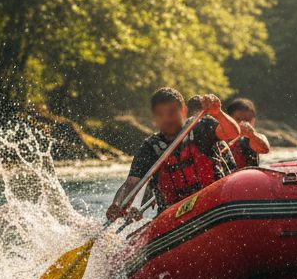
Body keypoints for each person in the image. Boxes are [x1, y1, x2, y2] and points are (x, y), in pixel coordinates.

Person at [106, 88, 239, 219]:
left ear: (184, 111)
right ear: (154, 118)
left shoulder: (201, 127)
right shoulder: (150, 147)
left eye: (172, 112)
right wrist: (117, 204)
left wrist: (218, 113)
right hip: (174, 216)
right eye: (160, 114)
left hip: (213, 201)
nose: (167, 119)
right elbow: (131, 183)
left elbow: (233, 133)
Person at [224, 97, 271, 168]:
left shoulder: (257, 137)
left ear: (253, 121)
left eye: (247, 120)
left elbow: (265, 150)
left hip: (248, 176)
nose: (242, 123)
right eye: (238, 119)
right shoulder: (220, 137)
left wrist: (252, 135)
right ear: (229, 119)